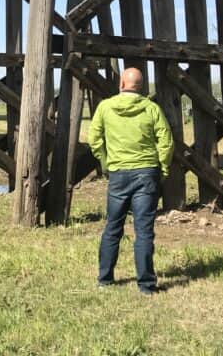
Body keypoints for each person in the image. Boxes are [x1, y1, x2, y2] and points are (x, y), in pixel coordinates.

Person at [89, 67, 174, 293]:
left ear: (121, 84)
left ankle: (105, 279)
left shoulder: (105, 107)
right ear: (142, 86)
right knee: (144, 230)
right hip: (147, 172)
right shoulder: (151, 108)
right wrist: (162, 170)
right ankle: (146, 285)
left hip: (118, 174)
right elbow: (166, 143)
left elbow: (94, 138)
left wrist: (106, 163)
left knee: (112, 227)